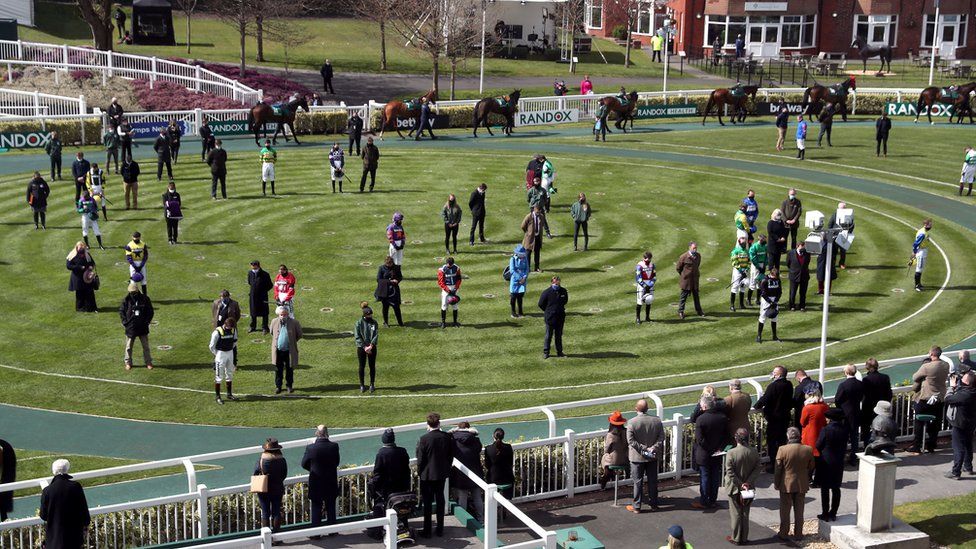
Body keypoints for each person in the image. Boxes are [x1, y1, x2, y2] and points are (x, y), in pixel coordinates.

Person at [416, 412, 454, 538]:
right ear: (439, 423)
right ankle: (440, 529)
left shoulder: (424, 439)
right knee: (440, 499)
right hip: (441, 474)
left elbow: (420, 459)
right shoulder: (447, 437)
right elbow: (450, 456)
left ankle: (427, 531)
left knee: (427, 503)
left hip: (427, 476)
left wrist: (420, 472)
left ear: (428, 424)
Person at [39, 459, 90, 549]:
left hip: (54, 540)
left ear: (53, 471)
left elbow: (43, 515)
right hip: (73, 538)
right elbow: (84, 511)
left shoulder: (47, 490)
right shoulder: (76, 487)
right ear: (67, 469)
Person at [775, 427, 814, 542]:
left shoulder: (782, 449)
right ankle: (798, 534)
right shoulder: (808, 449)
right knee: (799, 510)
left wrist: (777, 483)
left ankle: (784, 533)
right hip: (802, 483)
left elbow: (778, 469)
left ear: (788, 437)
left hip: (786, 484)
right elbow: (811, 466)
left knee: (785, 511)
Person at [908, 345, 949, 454]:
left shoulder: (927, 367)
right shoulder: (946, 365)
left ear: (931, 354)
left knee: (919, 422)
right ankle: (931, 445)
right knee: (935, 423)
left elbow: (915, 377)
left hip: (926, 398)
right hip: (939, 398)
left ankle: (917, 445)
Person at [626, 399, 665, 512]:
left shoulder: (632, 422)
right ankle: (654, 504)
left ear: (636, 409)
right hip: (652, 455)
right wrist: (652, 448)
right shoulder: (656, 420)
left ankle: (637, 507)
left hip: (637, 457)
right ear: (647, 409)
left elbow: (630, 441)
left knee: (637, 482)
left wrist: (644, 448)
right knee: (653, 481)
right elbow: (661, 437)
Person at [724, 428, 760, 545]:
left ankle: (736, 538)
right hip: (749, 488)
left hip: (734, 487)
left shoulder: (731, 452)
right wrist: (747, 483)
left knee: (736, 513)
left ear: (736, 438)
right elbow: (757, 469)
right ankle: (744, 537)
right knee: (745, 513)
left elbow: (730, 472)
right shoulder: (754, 451)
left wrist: (740, 484)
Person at [755, 365, 793, 473]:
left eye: (775, 372)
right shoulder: (789, 384)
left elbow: (765, 399)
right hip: (784, 418)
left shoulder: (773, 386)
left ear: (779, 374)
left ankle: (774, 465)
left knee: (772, 442)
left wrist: (757, 406)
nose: (773, 374)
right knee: (782, 441)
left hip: (774, 419)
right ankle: (782, 463)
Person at [692, 395, 728, 510]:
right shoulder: (722, 417)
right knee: (715, 477)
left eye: (702, 406)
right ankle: (712, 500)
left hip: (705, 453)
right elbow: (726, 436)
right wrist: (719, 448)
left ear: (705, 406)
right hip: (717, 452)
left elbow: (700, 439)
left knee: (705, 477)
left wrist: (710, 449)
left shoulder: (701, 419)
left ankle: (704, 501)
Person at [302, 425, 340, 531]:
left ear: (317, 433)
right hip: (330, 481)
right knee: (331, 507)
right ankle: (332, 531)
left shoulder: (310, 448)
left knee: (316, 508)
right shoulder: (334, 446)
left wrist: (313, 469)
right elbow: (336, 462)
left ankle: (315, 533)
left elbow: (303, 464)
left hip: (316, 482)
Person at [816, 408, 848, 521]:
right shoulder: (845, 430)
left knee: (825, 488)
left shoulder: (826, 430)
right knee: (836, 488)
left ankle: (825, 513)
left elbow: (818, 445)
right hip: (839, 462)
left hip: (826, 462)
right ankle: (833, 512)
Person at [450, 422, 485, 522]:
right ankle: (481, 519)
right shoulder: (475, 440)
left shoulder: (453, 440)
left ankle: (463, 521)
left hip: (461, 474)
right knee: (477, 498)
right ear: (468, 428)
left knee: (462, 499)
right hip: (475, 473)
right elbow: (478, 449)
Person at [944, 371, 976, 478]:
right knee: (968, 445)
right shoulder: (972, 392)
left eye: (962, 379)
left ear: (966, 382)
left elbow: (948, 399)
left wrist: (951, 387)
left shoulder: (964, 395)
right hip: (971, 423)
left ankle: (956, 472)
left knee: (958, 447)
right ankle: (968, 467)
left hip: (959, 424)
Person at [254, 438, 287, 532]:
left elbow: (256, 473)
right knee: (276, 512)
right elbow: (284, 474)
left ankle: (266, 537)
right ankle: (277, 536)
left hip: (264, 489)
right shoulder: (282, 460)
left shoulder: (261, 460)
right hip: (277, 488)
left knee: (265, 512)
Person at [834, 364, 864, 464]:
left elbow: (837, 399)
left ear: (846, 372)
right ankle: (853, 458)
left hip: (845, 414)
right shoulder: (860, 384)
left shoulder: (843, 385)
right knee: (854, 437)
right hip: (856, 412)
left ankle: (841, 457)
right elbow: (861, 397)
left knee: (844, 437)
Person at [120, 281, 154, 370]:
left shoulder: (145, 299)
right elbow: (122, 312)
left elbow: (150, 311)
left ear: (137, 291)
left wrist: (147, 321)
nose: (132, 294)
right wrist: (125, 322)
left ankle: (148, 362)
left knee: (145, 346)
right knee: (128, 347)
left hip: (142, 326)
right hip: (131, 327)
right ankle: (128, 362)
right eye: (131, 292)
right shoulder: (126, 300)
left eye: (134, 292)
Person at [371, 428, 411, 503]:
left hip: (387, 489)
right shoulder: (402, 451)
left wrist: (374, 485)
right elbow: (406, 466)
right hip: (403, 487)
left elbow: (377, 472)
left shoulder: (381, 454)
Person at [860, 358, 893, 446]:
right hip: (882, 408)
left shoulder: (866, 380)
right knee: (882, 428)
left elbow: (863, 394)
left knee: (866, 430)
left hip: (868, 408)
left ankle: (867, 447)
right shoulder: (885, 377)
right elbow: (889, 393)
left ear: (867, 367)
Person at [270, 305, 302, 394]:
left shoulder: (294, 322)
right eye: (281, 315)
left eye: (284, 314)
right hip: (278, 351)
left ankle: (289, 386)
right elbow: (272, 332)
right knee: (278, 370)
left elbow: (299, 335)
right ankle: (278, 386)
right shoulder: (274, 321)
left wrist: (292, 342)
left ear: (288, 314)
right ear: (278, 315)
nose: (283, 316)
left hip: (289, 351)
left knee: (289, 369)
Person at [538, 276, 568, 359]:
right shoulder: (546, 292)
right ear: (552, 283)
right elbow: (540, 304)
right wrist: (548, 311)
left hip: (560, 317)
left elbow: (565, 301)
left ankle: (559, 352)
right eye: (555, 283)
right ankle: (546, 352)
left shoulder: (563, 291)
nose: (556, 284)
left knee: (558, 335)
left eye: (558, 283)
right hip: (550, 317)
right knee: (548, 335)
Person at [209, 317, 238, 404]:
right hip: (220, 354)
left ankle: (229, 394)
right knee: (219, 376)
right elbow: (211, 346)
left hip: (230, 353)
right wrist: (217, 354)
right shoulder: (217, 332)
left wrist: (230, 349)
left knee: (229, 373)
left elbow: (235, 341)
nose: (231, 329)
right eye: (230, 327)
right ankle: (218, 396)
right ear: (225, 325)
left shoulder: (233, 330)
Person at [598, 411, 628, 488]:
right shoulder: (626, 432)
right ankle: (611, 475)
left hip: (614, 462)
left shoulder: (610, 435)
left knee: (605, 456)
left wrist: (606, 453)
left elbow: (607, 449)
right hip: (625, 459)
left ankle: (605, 476)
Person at [484, 428, 515, 501]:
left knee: (491, 499)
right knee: (508, 499)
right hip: (508, 478)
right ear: (503, 436)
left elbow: (487, 465)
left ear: (493, 436)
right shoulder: (508, 447)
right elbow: (511, 462)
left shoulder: (488, 449)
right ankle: (505, 510)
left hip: (493, 479)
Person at [66, 242, 98, 312]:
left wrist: (91, 266)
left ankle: (91, 308)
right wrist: (79, 267)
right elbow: (68, 266)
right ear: (77, 247)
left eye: (83, 247)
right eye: (80, 247)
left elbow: (92, 263)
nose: (82, 249)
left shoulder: (87, 254)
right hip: (77, 277)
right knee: (80, 293)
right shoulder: (72, 255)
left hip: (87, 277)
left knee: (89, 292)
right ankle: (80, 308)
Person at [799, 388, 828, 464]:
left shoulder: (807, 408)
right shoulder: (825, 406)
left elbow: (802, 422)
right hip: (821, 432)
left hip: (809, 435)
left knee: (809, 456)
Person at [355, 303, 379, 393]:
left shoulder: (374, 322)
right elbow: (357, 336)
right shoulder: (358, 323)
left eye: (371, 314)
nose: (371, 316)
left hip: (372, 347)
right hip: (362, 348)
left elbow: (376, 335)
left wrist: (371, 346)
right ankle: (362, 385)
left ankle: (372, 384)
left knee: (372, 366)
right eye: (369, 315)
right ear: (365, 315)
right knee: (362, 366)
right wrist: (365, 347)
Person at [676, 241, 704, 319]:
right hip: (686, 281)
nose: (695, 250)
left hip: (695, 280)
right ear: (690, 248)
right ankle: (680, 311)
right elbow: (678, 268)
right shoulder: (683, 257)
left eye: (696, 248)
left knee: (696, 296)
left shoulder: (698, 256)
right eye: (693, 248)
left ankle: (699, 311)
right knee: (683, 297)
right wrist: (684, 275)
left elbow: (697, 265)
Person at [521, 205, 551, 273]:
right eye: (537, 212)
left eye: (539, 212)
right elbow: (523, 226)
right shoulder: (529, 216)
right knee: (528, 253)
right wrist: (528, 233)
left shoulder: (541, 216)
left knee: (537, 253)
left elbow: (542, 224)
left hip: (537, 237)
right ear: (534, 210)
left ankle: (537, 267)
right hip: (529, 238)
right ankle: (527, 268)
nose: (538, 213)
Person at [376, 256, 404, 327]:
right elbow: (379, 280)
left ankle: (400, 322)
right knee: (385, 307)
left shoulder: (396, 267)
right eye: (387, 264)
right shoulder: (381, 268)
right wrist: (390, 281)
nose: (389, 265)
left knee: (396, 307)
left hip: (394, 290)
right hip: (385, 290)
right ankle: (385, 322)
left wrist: (397, 280)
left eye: (390, 264)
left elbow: (400, 277)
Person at [756, 267, 782, 343]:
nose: (775, 279)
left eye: (776, 277)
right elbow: (763, 293)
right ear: (771, 274)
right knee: (763, 317)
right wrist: (770, 302)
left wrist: (776, 301)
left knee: (774, 317)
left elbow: (780, 292)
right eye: (774, 277)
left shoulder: (778, 280)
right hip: (766, 300)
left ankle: (774, 336)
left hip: (775, 300)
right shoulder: (764, 280)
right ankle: (759, 336)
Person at [248, 260, 273, 333]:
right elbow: (250, 282)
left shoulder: (265, 274)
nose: (252, 266)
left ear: (257, 265)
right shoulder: (250, 273)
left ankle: (265, 327)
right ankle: (253, 326)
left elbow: (270, 285)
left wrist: (263, 291)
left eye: (254, 265)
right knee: (253, 312)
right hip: (253, 296)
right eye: (252, 265)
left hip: (262, 296)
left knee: (264, 312)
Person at [437, 257, 462, 328]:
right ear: (446, 263)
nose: (450, 266)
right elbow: (440, 282)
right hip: (446, 288)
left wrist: (455, 288)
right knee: (444, 305)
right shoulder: (441, 269)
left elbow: (459, 279)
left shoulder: (457, 268)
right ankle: (443, 322)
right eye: (449, 265)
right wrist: (448, 290)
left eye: (451, 265)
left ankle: (455, 322)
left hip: (454, 287)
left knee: (455, 305)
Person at [785, 240, 810, 311]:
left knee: (803, 293)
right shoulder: (790, 253)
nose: (803, 248)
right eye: (802, 246)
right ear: (797, 246)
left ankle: (802, 306)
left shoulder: (807, 253)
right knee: (793, 292)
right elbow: (788, 263)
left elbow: (807, 263)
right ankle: (791, 305)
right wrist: (794, 270)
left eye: (804, 247)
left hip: (804, 276)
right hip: (794, 275)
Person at [730, 236, 750, 312]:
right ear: (739, 243)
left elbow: (749, 261)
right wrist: (741, 270)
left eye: (745, 243)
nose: (744, 244)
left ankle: (741, 304)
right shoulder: (735, 251)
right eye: (743, 243)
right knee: (735, 287)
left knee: (744, 286)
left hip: (745, 271)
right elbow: (734, 262)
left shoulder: (747, 251)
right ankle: (732, 305)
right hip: (737, 271)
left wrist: (746, 269)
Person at [635, 251, 656, 324]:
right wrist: (644, 286)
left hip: (650, 284)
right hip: (641, 285)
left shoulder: (652, 265)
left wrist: (650, 284)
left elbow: (654, 276)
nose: (649, 260)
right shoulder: (639, 266)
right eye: (647, 259)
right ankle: (638, 318)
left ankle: (647, 317)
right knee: (640, 302)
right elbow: (638, 278)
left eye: (650, 259)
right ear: (644, 258)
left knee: (649, 300)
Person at [911, 219, 932, 292]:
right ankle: (917, 286)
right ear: (925, 225)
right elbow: (916, 243)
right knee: (919, 268)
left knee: (921, 268)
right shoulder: (922, 233)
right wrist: (914, 253)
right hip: (920, 252)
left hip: (923, 250)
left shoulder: (925, 232)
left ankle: (919, 283)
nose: (931, 226)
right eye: (930, 224)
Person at [509, 245, 529, 318]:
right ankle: (513, 312)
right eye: (521, 254)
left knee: (520, 296)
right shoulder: (512, 259)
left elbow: (527, 269)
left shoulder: (525, 258)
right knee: (513, 297)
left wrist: (524, 277)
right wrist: (520, 278)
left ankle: (520, 312)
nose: (523, 256)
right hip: (515, 280)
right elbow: (512, 270)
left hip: (523, 280)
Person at [747, 234, 766, 306]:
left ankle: (758, 300)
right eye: (764, 240)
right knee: (753, 283)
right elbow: (753, 258)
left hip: (762, 265)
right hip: (755, 267)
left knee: (760, 284)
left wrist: (764, 265)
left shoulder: (765, 246)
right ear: (760, 240)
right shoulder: (754, 247)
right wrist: (758, 267)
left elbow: (766, 256)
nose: (765, 241)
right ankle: (748, 300)